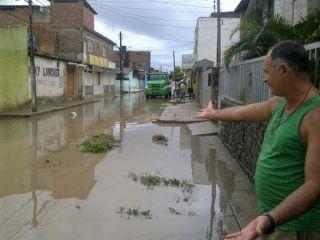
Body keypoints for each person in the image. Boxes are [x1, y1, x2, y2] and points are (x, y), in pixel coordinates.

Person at [195, 41, 320, 240]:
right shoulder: (280, 104)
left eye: (267, 72)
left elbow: (315, 185)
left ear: (283, 70)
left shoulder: (315, 115)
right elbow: (239, 113)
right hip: (273, 221)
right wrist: (213, 113)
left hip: (296, 227)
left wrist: (269, 219)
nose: (265, 80)